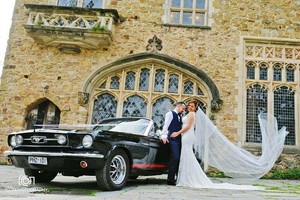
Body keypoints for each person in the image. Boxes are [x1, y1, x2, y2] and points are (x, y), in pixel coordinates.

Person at [170, 99, 288, 190]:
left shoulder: (191, 115)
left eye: (192, 106)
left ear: (195, 108)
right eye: (189, 105)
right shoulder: (188, 114)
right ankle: (186, 177)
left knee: (187, 156)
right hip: (187, 137)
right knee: (187, 157)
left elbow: (188, 127)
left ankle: (188, 178)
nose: (190, 107)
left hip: (187, 136)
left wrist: (177, 133)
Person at [161, 102, 186, 185]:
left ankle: (177, 178)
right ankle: (170, 179)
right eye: (183, 108)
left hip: (179, 140)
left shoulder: (180, 116)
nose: (183, 110)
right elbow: (166, 125)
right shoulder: (170, 114)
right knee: (175, 158)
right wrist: (164, 135)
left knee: (179, 159)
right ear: (178, 106)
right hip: (172, 139)